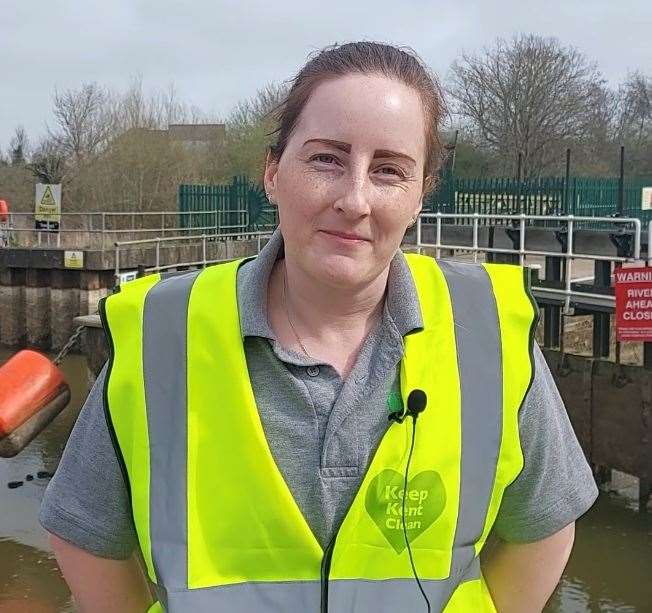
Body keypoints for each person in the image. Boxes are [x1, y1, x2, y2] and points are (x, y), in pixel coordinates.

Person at [40, 42, 598, 613]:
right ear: (273, 172)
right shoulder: (164, 335)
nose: (355, 199)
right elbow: (86, 534)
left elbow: (545, 524)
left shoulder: (485, 332)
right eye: (326, 159)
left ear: (419, 196)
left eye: (388, 170)